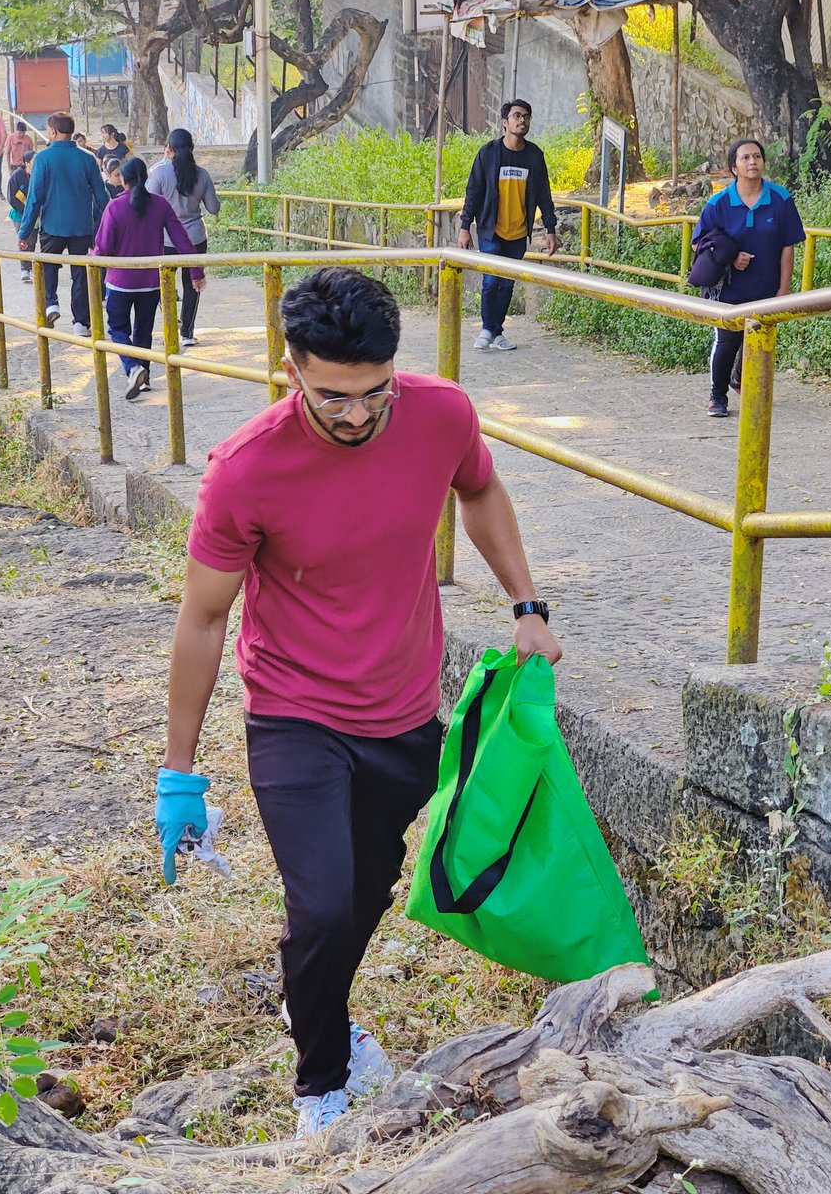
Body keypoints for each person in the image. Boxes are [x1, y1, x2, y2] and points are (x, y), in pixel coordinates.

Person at [156, 266, 562, 1140]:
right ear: (291, 364)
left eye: (374, 392)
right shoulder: (245, 470)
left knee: (363, 897)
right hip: (294, 714)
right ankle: (323, 1090)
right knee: (326, 905)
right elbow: (202, 618)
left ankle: (313, 1001)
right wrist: (178, 771)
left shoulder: (441, 413)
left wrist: (526, 606)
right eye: (333, 395)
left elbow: (480, 487)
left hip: (407, 711)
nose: (356, 414)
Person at [692, 138, 805, 418]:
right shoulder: (719, 203)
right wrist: (730, 257)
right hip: (728, 289)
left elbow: (787, 245)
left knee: (758, 338)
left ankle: (742, 381)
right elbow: (699, 243)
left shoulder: (780, 199)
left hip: (766, 287)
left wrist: (784, 289)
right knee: (728, 340)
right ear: (734, 167)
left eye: (757, 157)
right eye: (745, 158)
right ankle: (717, 396)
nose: (752, 162)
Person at [91, 156, 206, 400]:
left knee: (117, 328)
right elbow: (182, 240)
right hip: (151, 282)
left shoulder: (114, 207)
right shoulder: (160, 205)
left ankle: (133, 368)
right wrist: (196, 271)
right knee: (143, 329)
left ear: (123, 180)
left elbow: (104, 247)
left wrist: (93, 255)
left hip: (120, 281)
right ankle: (145, 378)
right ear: (146, 178)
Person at [458, 99, 558, 352]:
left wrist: (550, 229)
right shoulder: (488, 154)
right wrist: (464, 226)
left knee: (507, 284)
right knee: (491, 281)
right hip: (492, 229)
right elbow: (474, 191)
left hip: (518, 232)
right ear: (505, 123)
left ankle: (497, 331)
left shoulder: (534, 156)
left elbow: (544, 194)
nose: (521, 120)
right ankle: (487, 329)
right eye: (516, 116)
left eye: (526, 116)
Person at [18, 111, 109, 336]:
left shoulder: (42, 158)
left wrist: (25, 232)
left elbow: (34, 198)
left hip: (52, 226)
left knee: (48, 265)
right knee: (80, 273)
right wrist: (106, 228)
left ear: (54, 131)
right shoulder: (88, 158)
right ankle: (81, 322)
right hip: (81, 227)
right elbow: (102, 197)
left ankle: (51, 303)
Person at [146, 128, 220, 346]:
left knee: (164, 284)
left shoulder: (159, 174)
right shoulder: (203, 175)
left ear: (170, 149)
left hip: (166, 239)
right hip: (196, 238)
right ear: (192, 148)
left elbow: (149, 205)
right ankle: (187, 333)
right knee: (193, 285)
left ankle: (169, 328)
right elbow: (214, 208)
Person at [7, 150, 36, 282]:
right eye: (34, 162)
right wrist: (25, 211)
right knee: (23, 238)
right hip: (20, 214)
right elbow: (11, 197)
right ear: (26, 163)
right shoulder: (17, 176)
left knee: (33, 240)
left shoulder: (39, 174)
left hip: (35, 214)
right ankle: (25, 268)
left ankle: (31, 265)